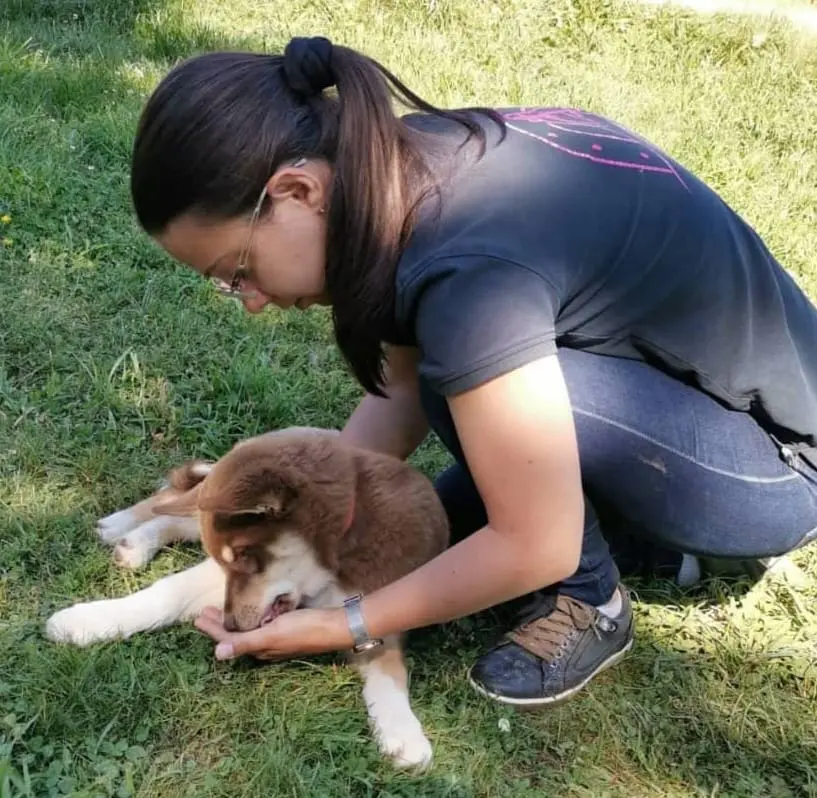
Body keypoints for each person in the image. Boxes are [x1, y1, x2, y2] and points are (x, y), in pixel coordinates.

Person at [128, 35, 817, 707]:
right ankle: (657, 540)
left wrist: (343, 624)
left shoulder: (465, 270)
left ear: (297, 190)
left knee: (464, 400)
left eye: (238, 271)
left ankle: (592, 601)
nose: (249, 301)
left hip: (779, 469)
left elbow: (535, 541)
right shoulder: (396, 169)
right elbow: (398, 393)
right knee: (442, 516)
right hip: (686, 408)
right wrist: (313, 523)